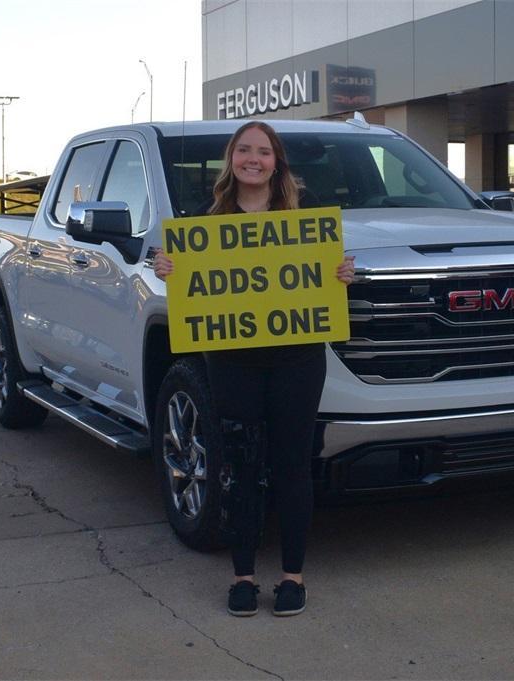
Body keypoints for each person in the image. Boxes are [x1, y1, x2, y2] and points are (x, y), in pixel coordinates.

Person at [153, 121, 355, 617]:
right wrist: (169, 271)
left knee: (291, 466)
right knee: (241, 466)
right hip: (232, 360)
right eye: (244, 150)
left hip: (297, 358)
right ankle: (243, 575)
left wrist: (341, 275)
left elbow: (323, 278)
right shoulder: (207, 218)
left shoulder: (305, 216)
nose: (253, 159)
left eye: (263, 152)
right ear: (232, 158)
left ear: (276, 161)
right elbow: (190, 285)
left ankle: (292, 576)